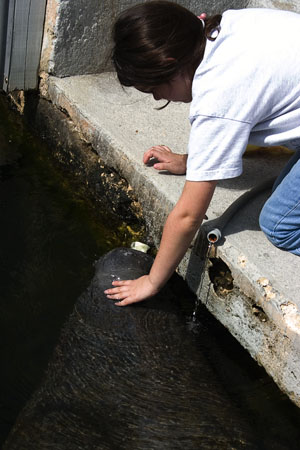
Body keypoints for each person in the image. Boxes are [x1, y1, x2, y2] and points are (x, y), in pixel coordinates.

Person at [104, 1, 300, 306]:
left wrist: (152, 281)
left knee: (280, 223)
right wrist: (192, 161)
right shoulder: (222, 28)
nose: (156, 96)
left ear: (170, 63)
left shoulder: (217, 98)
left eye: (153, 88)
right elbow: (246, 111)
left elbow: (187, 215)